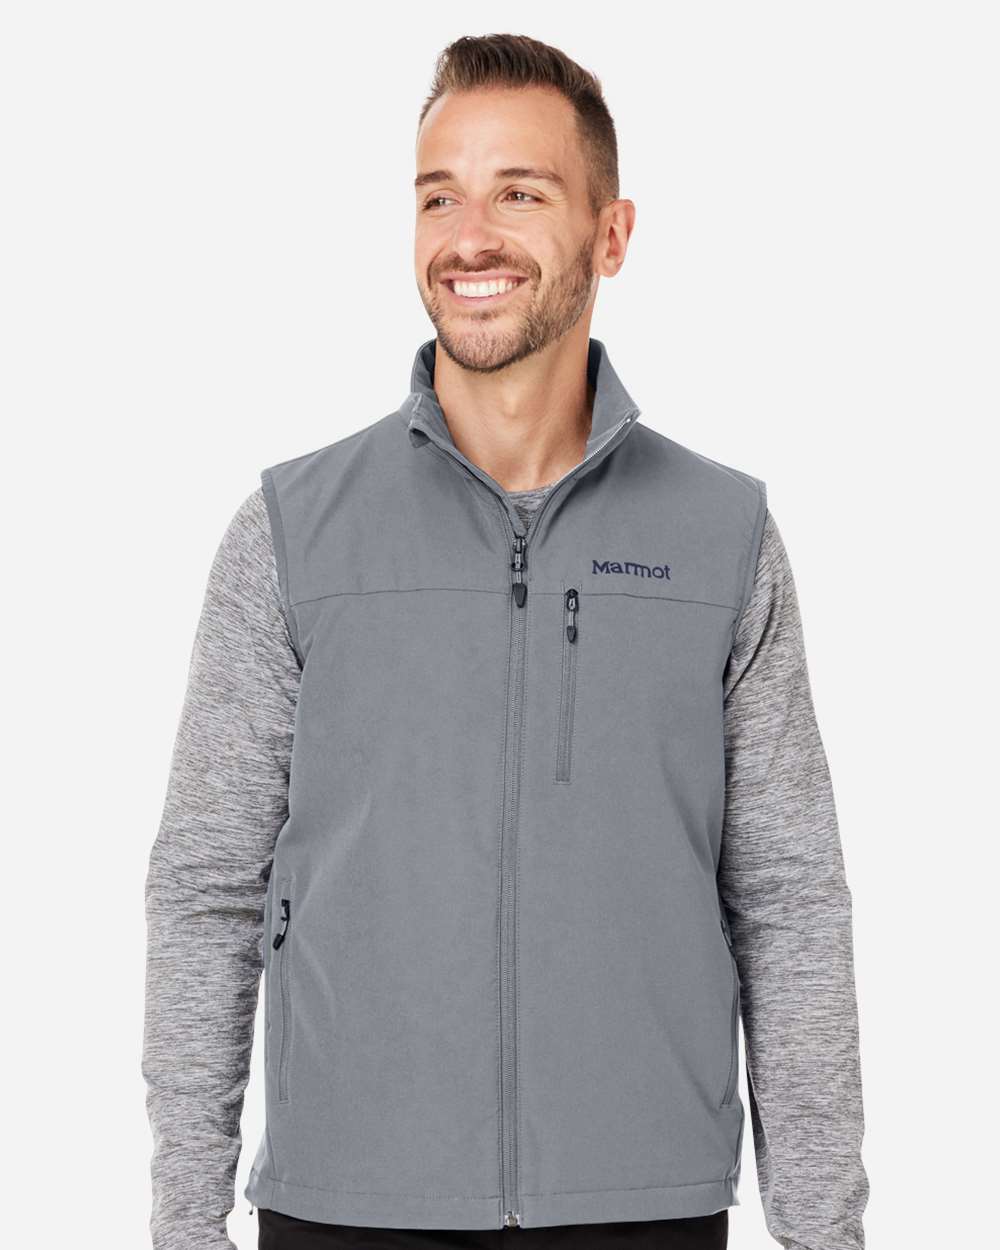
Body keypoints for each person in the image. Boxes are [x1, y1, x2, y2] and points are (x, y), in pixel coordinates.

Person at [142, 32, 869, 1250]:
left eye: (519, 193)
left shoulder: (721, 536)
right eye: (439, 196)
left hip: (643, 1204)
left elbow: (788, 900)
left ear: (611, 234)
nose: (468, 236)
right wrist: (182, 1220)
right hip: (347, 1205)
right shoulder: (292, 533)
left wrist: (823, 1232)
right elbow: (206, 886)